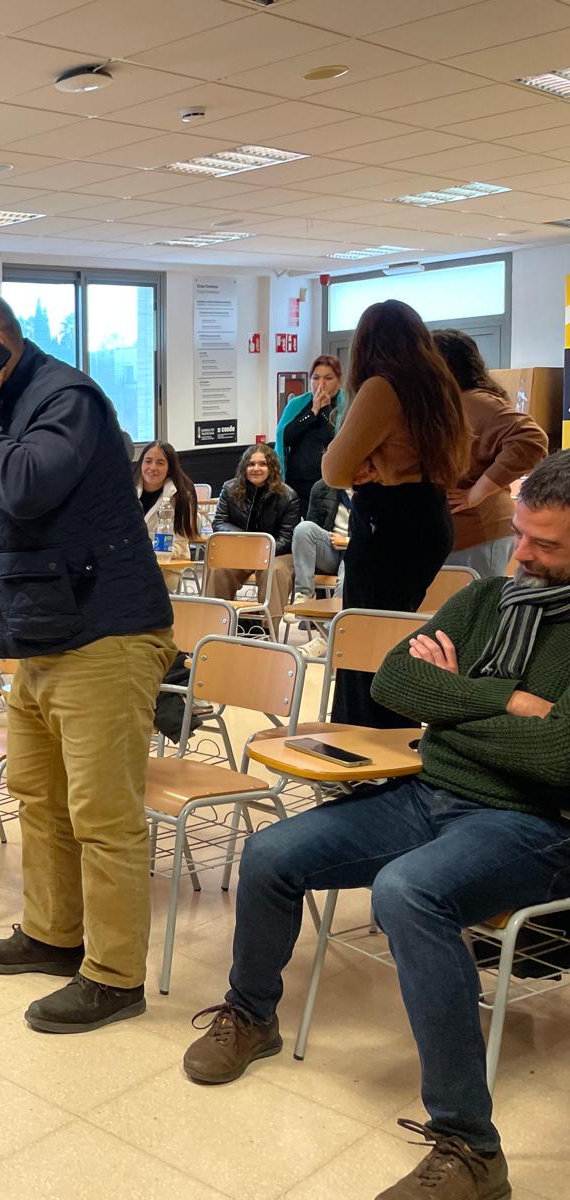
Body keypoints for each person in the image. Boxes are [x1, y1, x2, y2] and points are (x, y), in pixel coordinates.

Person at [181, 451, 570, 1200]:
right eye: (520, 534)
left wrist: (454, 703)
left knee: (408, 894)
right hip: (432, 794)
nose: (521, 554)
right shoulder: (488, 600)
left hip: (532, 824)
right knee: (270, 854)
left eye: (545, 545)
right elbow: (395, 682)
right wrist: (507, 703)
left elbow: (558, 758)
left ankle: (470, 1148)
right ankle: (250, 1014)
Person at [0, 286, 175, 1033]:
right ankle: (52, 933)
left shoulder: (65, 396)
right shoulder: (7, 406)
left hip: (105, 633)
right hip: (43, 636)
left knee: (103, 816)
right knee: (41, 798)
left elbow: (25, 486)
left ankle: (113, 976)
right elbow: (3, 525)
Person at [323, 300, 467, 727]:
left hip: (387, 525)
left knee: (367, 644)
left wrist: (373, 467)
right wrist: (380, 465)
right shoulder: (440, 386)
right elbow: (440, 460)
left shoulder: (382, 387)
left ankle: (365, 753)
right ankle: (387, 748)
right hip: (429, 518)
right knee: (393, 639)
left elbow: (333, 469)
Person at [434, 328, 549, 579]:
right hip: (461, 533)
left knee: (479, 611)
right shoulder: (452, 403)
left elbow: (532, 439)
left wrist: (477, 492)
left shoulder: (477, 402)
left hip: (478, 531)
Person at [208, 443, 300, 630]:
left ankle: (267, 630)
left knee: (275, 572)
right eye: (251, 464)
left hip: (277, 554)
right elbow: (219, 523)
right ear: (244, 467)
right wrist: (249, 542)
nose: (256, 469)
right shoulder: (229, 489)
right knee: (218, 569)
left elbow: (288, 537)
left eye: (262, 464)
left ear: (272, 467)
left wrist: (262, 550)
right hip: (240, 551)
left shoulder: (288, 495)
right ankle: (215, 626)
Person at [291, 479, 353, 658]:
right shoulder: (321, 487)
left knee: (348, 575)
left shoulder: (376, 487)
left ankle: (326, 637)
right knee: (304, 528)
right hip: (330, 549)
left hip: (357, 551)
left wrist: (349, 542)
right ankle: (304, 594)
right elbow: (314, 525)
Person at [275, 355, 349, 501]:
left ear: (339, 381)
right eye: (316, 378)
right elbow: (285, 437)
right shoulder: (297, 404)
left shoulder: (347, 404)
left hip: (330, 484)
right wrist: (313, 412)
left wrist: (326, 410)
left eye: (328, 378)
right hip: (297, 483)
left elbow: (337, 440)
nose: (321, 384)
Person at [136, 440, 199, 590]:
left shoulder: (183, 495)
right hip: (132, 562)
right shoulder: (127, 491)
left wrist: (146, 552)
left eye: (160, 463)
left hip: (168, 565)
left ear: (170, 468)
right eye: (148, 461)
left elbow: (179, 543)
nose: (152, 468)